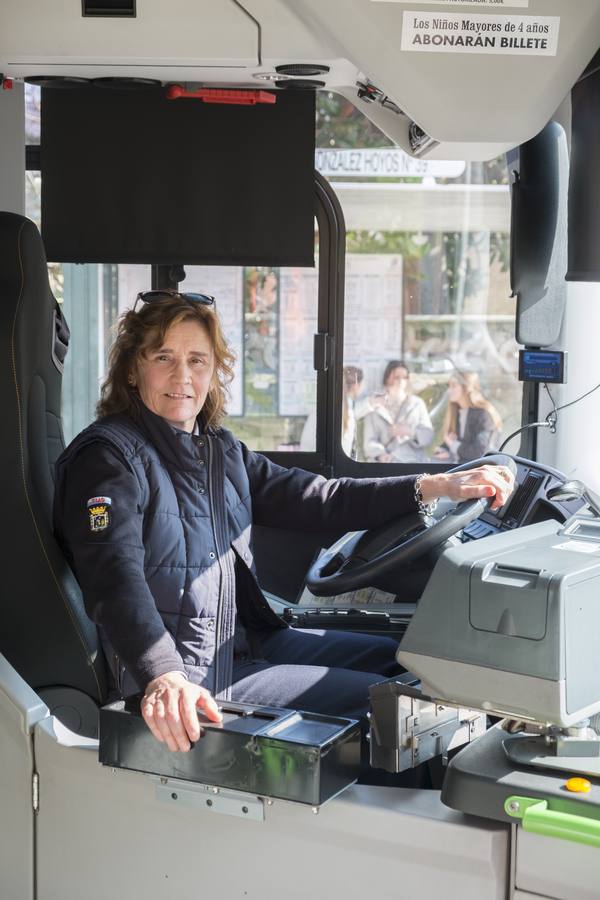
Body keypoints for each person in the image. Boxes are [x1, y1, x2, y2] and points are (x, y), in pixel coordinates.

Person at [53, 293, 514, 754]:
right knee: (397, 708)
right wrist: (163, 675)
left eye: (198, 360)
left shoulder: (218, 452)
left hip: (246, 643)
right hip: (193, 676)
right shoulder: (108, 458)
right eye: (163, 358)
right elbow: (115, 576)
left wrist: (436, 485)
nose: (183, 376)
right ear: (133, 370)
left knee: (412, 667)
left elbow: (320, 499)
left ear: (215, 371)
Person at [363, 360, 434, 463]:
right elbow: (369, 441)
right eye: (396, 377)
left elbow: (428, 435)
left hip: (413, 462)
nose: (401, 381)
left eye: (404, 377)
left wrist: (410, 432)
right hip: (386, 464)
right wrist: (380, 454)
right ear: (387, 378)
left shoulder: (417, 404)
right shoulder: (376, 406)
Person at [434, 370, 502, 464]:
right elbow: (454, 441)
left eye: (453, 386)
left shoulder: (483, 415)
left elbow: (480, 452)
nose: (449, 390)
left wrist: (452, 445)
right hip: (460, 466)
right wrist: (444, 450)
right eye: (449, 386)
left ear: (466, 387)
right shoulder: (458, 412)